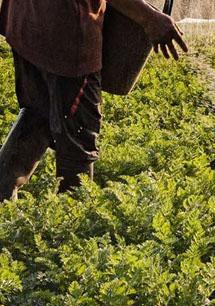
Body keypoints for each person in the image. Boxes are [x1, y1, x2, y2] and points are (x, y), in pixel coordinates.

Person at [0, 0, 188, 201]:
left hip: (25, 20)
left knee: (39, 114)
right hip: (66, 32)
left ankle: (4, 202)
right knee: (78, 144)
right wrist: (149, 18)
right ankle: (72, 225)